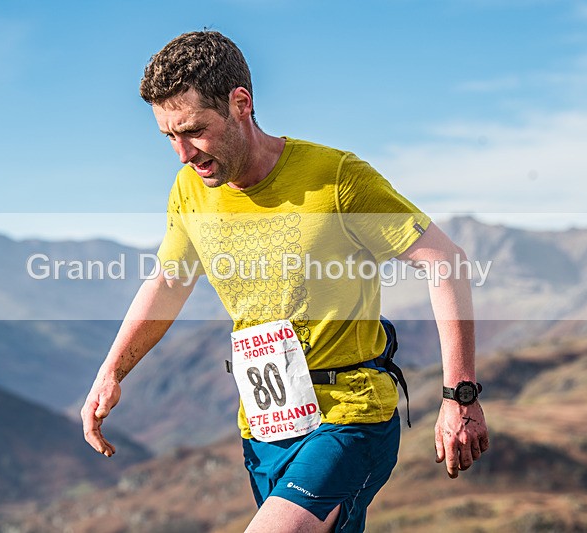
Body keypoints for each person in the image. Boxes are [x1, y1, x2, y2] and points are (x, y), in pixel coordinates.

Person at [81, 30, 489, 532]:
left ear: (240, 103)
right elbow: (168, 281)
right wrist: (111, 372)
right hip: (264, 427)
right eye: (169, 136)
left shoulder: (336, 177)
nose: (183, 153)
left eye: (193, 130)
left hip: (350, 414)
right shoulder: (189, 190)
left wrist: (460, 397)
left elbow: (445, 262)